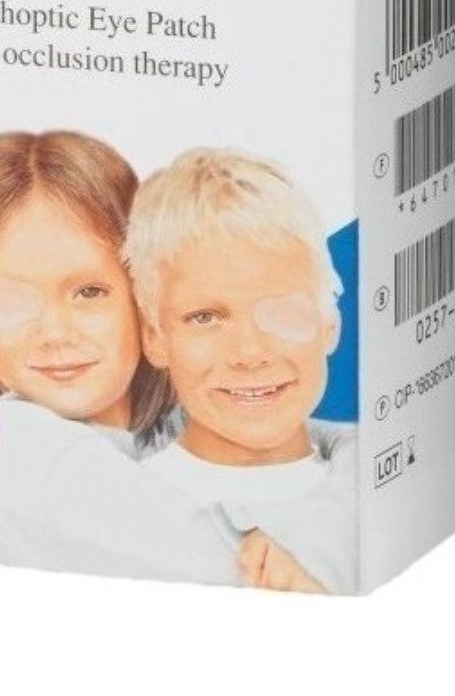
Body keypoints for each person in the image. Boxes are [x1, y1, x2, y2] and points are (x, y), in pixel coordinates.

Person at [0, 131, 319, 589]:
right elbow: (222, 567)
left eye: (90, 292)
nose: (56, 333)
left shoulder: (162, 433)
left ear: (144, 293)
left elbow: (319, 441)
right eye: (14, 299)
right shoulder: (15, 443)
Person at [125, 147, 358, 593]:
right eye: (205, 318)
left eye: (280, 310)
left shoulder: (374, 490)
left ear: (330, 322)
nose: (250, 353)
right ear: (154, 337)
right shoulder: (125, 504)